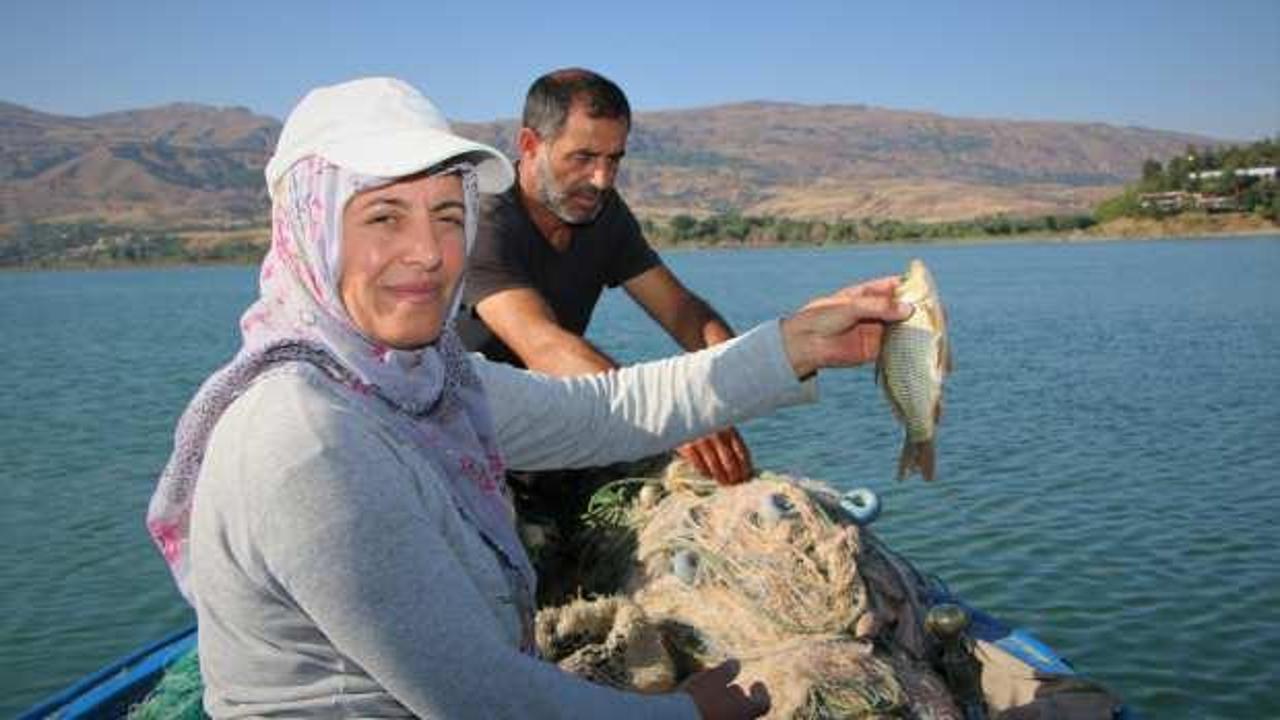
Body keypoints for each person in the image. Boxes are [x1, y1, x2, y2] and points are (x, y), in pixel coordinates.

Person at [146, 76, 912, 719]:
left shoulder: (421, 383)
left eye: (449, 215)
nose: (426, 252)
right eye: (383, 216)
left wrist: (798, 344)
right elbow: (485, 701)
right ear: (310, 230)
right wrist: (688, 711)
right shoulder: (307, 440)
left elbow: (604, 411)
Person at [457, 68, 751, 486]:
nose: (602, 179)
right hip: (464, 431)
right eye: (583, 158)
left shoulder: (602, 210)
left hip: (559, 422)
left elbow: (681, 310)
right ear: (530, 145)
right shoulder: (483, 219)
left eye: (614, 159)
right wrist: (668, 411)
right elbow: (543, 345)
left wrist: (745, 372)